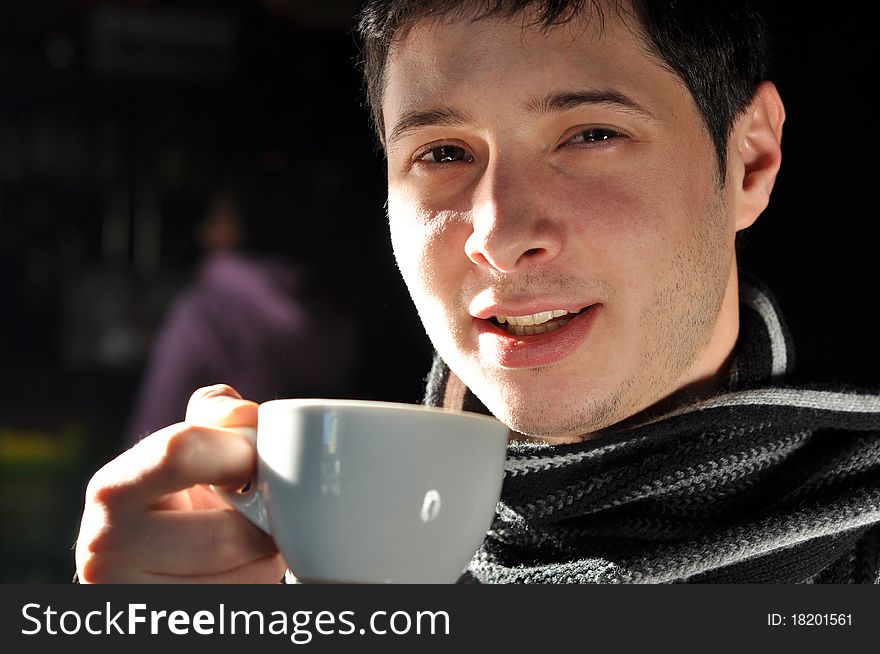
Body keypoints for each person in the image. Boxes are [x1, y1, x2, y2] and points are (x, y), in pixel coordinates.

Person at [74, 0, 880, 584]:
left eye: (591, 134)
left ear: (749, 161)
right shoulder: (317, 588)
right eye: (443, 152)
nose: (496, 234)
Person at [124, 188, 358, 448]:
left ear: (248, 226)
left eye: (218, 219)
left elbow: (153, 425)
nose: (204, 233)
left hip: (224, 481)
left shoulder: (202, 314)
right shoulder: (335, 315)